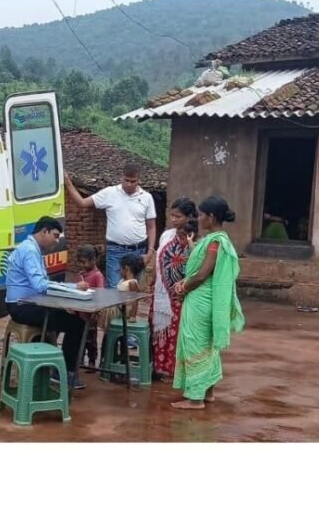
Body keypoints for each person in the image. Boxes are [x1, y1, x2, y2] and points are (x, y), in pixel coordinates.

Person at [171, 196, 245, 410]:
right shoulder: (216, 240)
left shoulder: (214, 242)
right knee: (208, 346)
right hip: (206, 299)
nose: (199, 218)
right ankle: (209, 392)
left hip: (201, 301)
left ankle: (195, 398)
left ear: (211, 217)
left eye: (202, 215)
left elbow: (203, 274)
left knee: (195, 344)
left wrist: (184, 286)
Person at [5, 217, 90, 389]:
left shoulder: (32, 248)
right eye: (55, 235)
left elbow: (42, 284)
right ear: (44, 232)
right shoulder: (30, 250)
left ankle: (46, 363)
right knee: (76, 323)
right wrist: (72, 288)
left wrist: (69, 290)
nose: (57, 241)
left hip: (28, 303)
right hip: (22, 307)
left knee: (62, 316)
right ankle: (64, 373)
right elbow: (41, 285)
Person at [64, 163, 157, 289]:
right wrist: (68, 183)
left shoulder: (146, 197)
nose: (129, 184)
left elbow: (151, 226)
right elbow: (82, 202)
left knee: (134, 289)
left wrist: (150, 252)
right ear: (121, 177)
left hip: (138, 251)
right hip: (115, 250)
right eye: (126, 180)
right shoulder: (110, 193)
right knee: (114, 289)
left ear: (138, 180)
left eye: (133, 181)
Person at [151, 198, 198, 380]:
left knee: (178, 332)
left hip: (181, 294)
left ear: (189, 217)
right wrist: (153, 281)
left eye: (178, 216)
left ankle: (176, 371)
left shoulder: (195, 239)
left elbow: (196, 266)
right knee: (160, 329)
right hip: (162, 293)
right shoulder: (166, 235)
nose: (173, 219)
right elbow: (158, 261)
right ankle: (159, 367)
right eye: (171, 215)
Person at [75, 245, 105, 369]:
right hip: (80, 312)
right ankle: (80, 360)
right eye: (80, 262)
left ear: (93, 260)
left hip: (91, 313)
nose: (82, 265)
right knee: (79, 337)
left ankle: (92, 361)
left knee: (91, 339)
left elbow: (100, 293)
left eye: (84, 262)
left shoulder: (97, 275)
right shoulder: (81, 275)